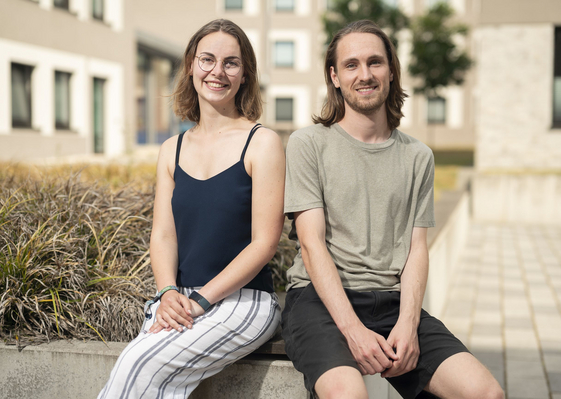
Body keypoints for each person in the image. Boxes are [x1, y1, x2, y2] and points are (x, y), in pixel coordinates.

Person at [282, 20, 504, 399]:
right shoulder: (308, 145)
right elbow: (311, 244)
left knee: (487, 393)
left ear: (391, 71)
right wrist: (353, 331)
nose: (364, 74)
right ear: (334, 77)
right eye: (351, 65)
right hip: (319, 301)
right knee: (350, 395)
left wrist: (408, 322)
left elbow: (418, 248)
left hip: (393, 304)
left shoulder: (418, 157)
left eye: (375, 62)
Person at [99, 19, 285, 398]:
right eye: (208, 60)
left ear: (245, 74)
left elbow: (265, 243)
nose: (218, 71)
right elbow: (163, 234)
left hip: (244, 301)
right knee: (137, 366)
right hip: (180, 298)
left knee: (139, 365)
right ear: (190, 65)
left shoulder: (262, 143)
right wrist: (167, 291)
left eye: (231, 62)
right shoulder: (172, 149)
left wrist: (200, 301)